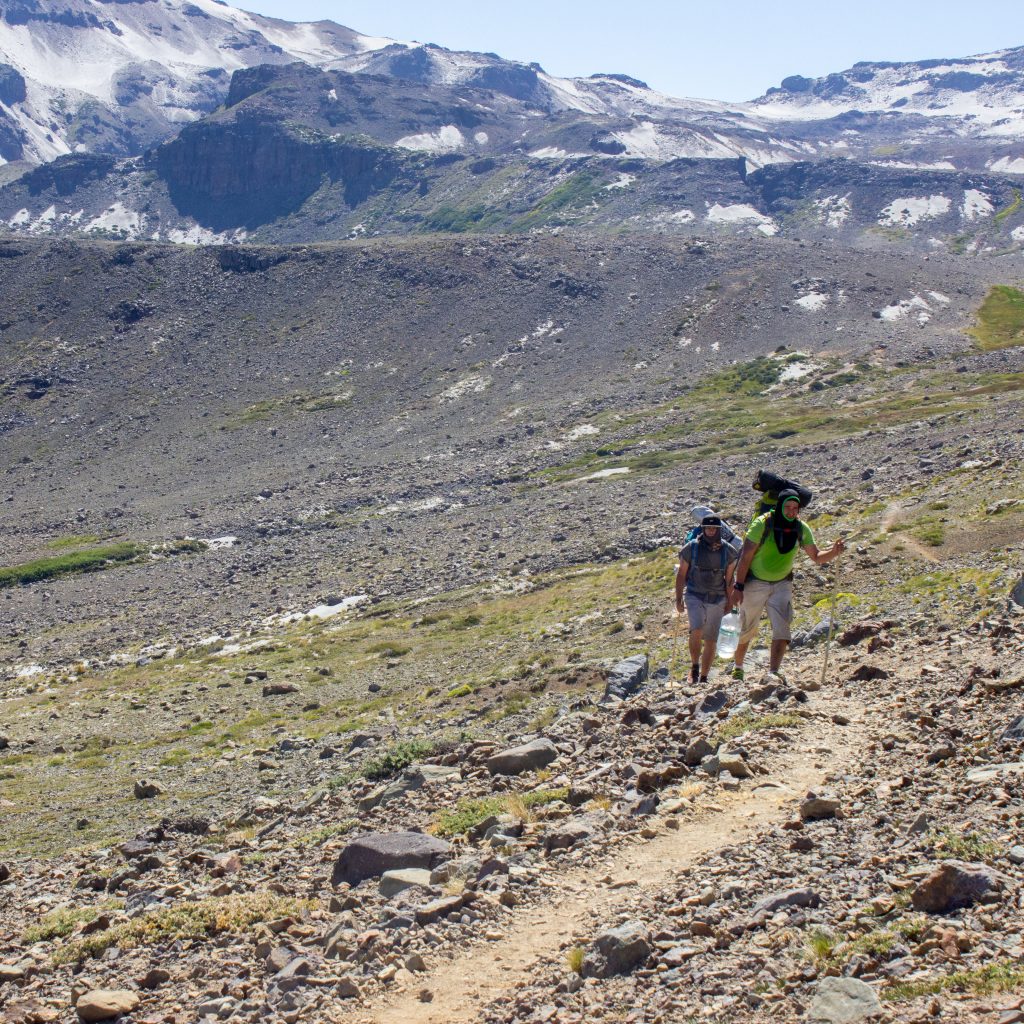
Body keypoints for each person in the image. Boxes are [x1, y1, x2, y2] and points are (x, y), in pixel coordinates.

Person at [730, 488, 844, 683]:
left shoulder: (801, 528)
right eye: (788, 507)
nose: (791, 511)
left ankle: (773, 672)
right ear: (780, 506)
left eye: (795, 508)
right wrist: (738, 586)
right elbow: (746, 556)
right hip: (755, 582)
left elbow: (815, 556)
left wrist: (834, 552)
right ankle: (738, 667)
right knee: (747, 626)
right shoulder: (762, 524)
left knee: (782, 627)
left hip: (782, 582)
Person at [674, 514, 738, 684]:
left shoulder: (729, 552)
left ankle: (704, 676)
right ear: (703, 529)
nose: (710, 531)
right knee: (696, 629)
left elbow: (730, 580)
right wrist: (678, 599)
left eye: (714, 528)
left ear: (719, 530)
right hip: (695, 595)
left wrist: (730, 603)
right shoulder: (691, 548)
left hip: (718, 598)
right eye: (707, 528)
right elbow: (681, 575)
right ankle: (694, 666)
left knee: (711, 638)